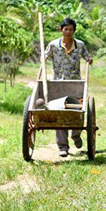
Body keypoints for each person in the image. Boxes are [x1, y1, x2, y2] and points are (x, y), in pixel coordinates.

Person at [45, 18, 93, 157]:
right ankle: (63, 147)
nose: (68, 32)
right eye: (66, 29)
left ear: (74, 31)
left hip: (75, 84)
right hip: (58, 85)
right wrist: (44, 58)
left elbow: (87, 57)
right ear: (61, 30)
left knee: (76, 112)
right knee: (60, 114)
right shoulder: (54, 45)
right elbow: (45, 56)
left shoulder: (80, 45)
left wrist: (89, 60)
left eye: (71, 29)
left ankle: (76, 136)